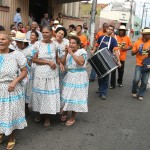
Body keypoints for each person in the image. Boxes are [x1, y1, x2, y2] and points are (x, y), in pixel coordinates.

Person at [0, 32, 27, 150]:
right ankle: (1, 132)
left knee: (9, 115)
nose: (0, 41)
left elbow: (24, 71)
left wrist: (15, 81)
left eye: (3, 39)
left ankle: (11, 138)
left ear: (10, 41)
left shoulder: (17, 55)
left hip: (10, 89)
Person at [32, 26, 60, 127]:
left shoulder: (55, 45)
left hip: (52, 75)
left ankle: (47, 117)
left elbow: (57, 58)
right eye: (43, 32)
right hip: (40, 74)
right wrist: (47, 62)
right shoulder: (37, 44)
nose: (44, 34)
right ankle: (39, 113)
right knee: (40, 94)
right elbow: (34, 60)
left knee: (49, 95)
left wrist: (60, 64)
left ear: (51, 33)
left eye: (47, 32)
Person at [60, 36, 88, 126]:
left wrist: (71, 53)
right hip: (69, 76)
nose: (71, 45)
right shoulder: (68, 52)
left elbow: (80, 63)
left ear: (78, 45)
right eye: (70, 43)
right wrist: (65, 54)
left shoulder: (82, 52)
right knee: (67, 95)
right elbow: (63, 62)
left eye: (73, 43)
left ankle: (73, 117)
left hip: (79, 77)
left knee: (76, 97)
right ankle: (65, 111)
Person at [90, 25, 121, 100]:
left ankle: (103, 93)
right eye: (109, 29)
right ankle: (100, 88)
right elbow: (96, 45)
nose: (110, 30)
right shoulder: (101, 37)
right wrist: (93, 51)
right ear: (106, 30)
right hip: (99, 58)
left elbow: (116, 50)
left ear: (113, 31)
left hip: (108, 59)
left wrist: (118, 61)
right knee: (100, 75)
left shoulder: (113, 40)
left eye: (111, 29)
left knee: (106, 76)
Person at [131, 28, 150, 101]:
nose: (149, 36)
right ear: (144, 35)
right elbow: (132, 53)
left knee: (145, 82)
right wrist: (137, 51)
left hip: (147, 64)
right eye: (147, 34)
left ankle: (141, 94)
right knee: (136, 80)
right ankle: (134, 91)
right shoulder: (137, 42)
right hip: (139, 64)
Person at [53, 27, 69, 92]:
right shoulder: (51, 41)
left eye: (62, 34)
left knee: (63, 82)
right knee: (55, 83)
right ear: (56, 33)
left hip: (64, 64)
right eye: (59, 33)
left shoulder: (67, 42)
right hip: (55, 65)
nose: (60, 35)